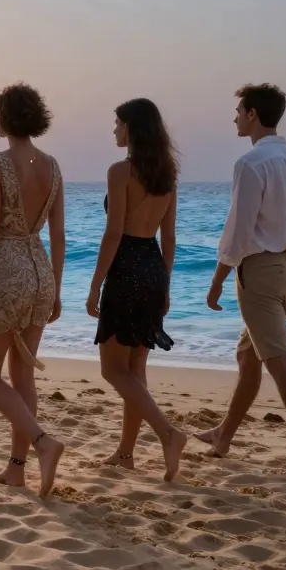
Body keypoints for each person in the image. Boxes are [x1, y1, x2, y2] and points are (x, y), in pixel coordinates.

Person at [198, 84, 286, 477]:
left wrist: (218, 279)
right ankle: (224, 434)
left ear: (254, 114)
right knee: (247, 356)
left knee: (280, 363)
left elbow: (238, 231)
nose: (236, 118)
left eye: (239, 111)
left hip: (260, 273)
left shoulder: (251, 164)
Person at [0, 82, 66, 497]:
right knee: (23, 375)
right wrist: (55, 287)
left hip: (7, 272)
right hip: (39, 269)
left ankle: (43, 442)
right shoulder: (53, 166)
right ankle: (16, 469)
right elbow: (58, 235)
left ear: (3, 117)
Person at [86, 98, 187, 481]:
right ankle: (126, 453)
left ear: (131, 127)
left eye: (117, 123)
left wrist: (94, 286)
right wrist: (166, 284)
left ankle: (169, 433)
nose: (114, 130)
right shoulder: (168, 173)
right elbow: (171, 237)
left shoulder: (120, 171)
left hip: (126, 266)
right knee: (135, 369)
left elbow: (113, 234)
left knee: (113, 370)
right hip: (154, 266)